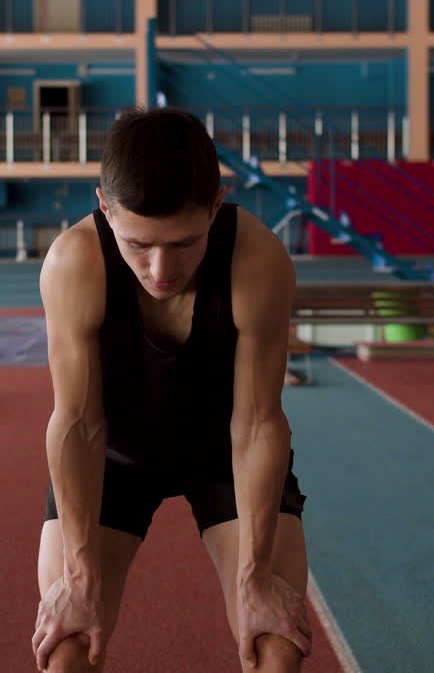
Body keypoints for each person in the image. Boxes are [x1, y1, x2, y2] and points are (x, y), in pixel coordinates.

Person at [32, 106, 313, 673]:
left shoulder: (257, 260)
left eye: (184, 244)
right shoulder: (73, 262)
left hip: (223, 455)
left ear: (216, 205)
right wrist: (80, 578)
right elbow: (78, 424)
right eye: (139, 245)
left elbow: (258, 424)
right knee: (67, 646)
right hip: (113, 454)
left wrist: (254, 577)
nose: (161, 270)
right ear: (105, 209)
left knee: (275, 645)